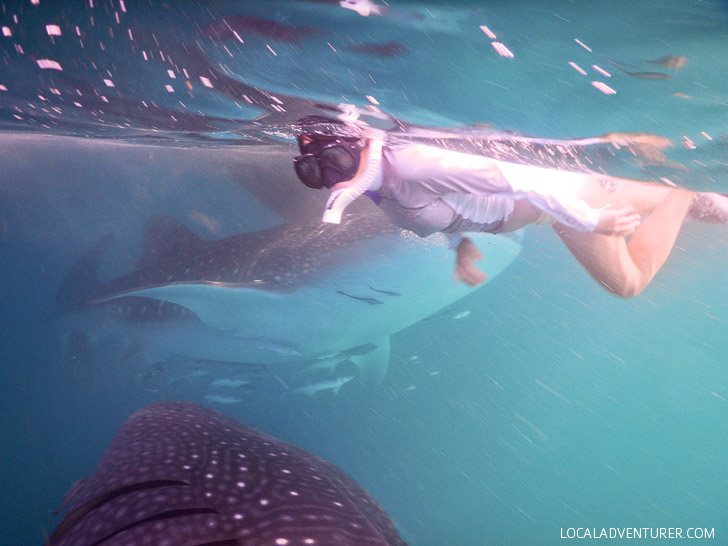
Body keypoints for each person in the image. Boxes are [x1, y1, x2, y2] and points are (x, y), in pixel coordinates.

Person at [292, 120, 728, 298]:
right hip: (568, 199)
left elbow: (525, 180)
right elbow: (427, 210)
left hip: (571, 200)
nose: (334, 180)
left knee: (628, 283)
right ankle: (688, 192)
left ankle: (682, 188)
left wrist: (592, 219)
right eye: (314, 173)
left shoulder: (409, 163)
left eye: (337, 163)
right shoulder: (381, 185)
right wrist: (458, 243)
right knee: (714, 208)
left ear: (357, 144)